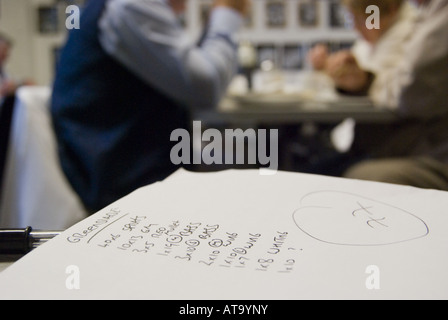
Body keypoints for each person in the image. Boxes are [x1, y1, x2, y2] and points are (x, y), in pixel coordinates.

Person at [51, 0, 250, 213]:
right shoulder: (131, 5)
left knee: (242, 161)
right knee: (249, 174)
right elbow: (207, 87)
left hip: (118, 168)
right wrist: (227, 14)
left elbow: (190, 83)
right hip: (124, 181)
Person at [320, 0, 448, 191]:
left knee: (353, 175)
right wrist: (362, 81)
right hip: (414, 142)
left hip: (427, 147)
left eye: (363, 18)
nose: (356, 26)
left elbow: (410, 90)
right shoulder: (421, 17)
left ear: (392, 10)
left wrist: (367, 83)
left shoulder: (410, 28)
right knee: (331, 168)